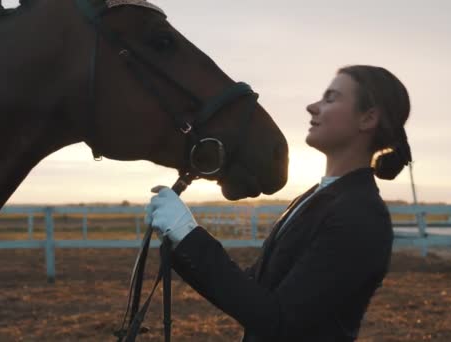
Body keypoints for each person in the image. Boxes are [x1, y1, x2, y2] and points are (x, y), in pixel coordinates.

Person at [145, 65, 412, 341]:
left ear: (367, 119)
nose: (312, 107)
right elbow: (257, 290)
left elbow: (279, 319)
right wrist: (181, 239)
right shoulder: (316, 197)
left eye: (331, 99)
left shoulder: (360, 215)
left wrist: (189, 235)